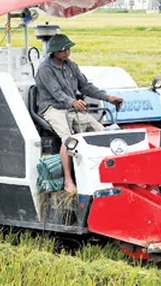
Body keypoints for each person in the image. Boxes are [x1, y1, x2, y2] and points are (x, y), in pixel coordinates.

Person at [35, 34, 123, 193]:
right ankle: (69, 180)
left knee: (99, 131)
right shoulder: (45, 69)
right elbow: (56, 93)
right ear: (54, 52)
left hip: (71, 107)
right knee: (68, 139)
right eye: (63, 50)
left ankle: (107, 174)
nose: (67, 52)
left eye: (68, 48)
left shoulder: (71, 66)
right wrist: (73, 102)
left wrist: (108, 98)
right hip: (52, 108)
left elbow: (86, 86)